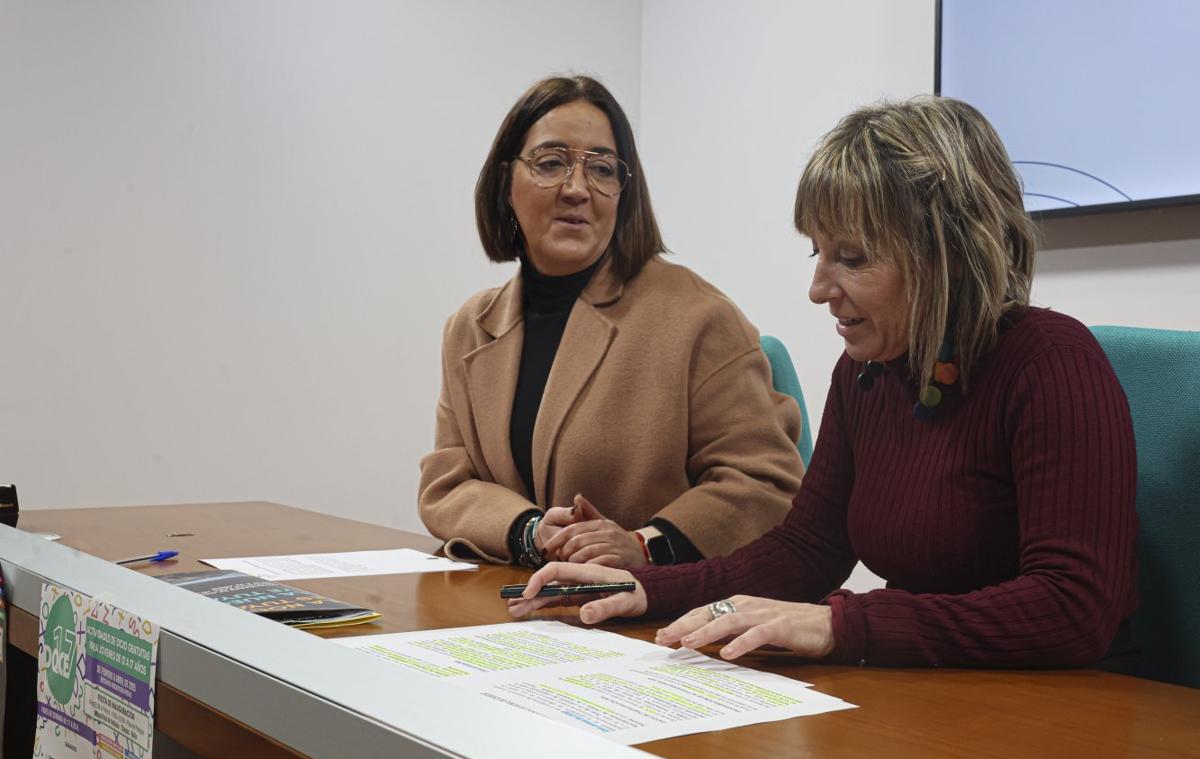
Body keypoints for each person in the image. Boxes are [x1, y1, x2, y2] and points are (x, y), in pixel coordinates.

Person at [510, 96, 1139, 670]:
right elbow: (807, 548)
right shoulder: (868, 372)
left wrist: (842, 623)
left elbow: (1072, 608)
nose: (818, 290)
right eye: (819, 253)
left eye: (854, 258)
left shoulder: (1051, 361)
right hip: (936, 696)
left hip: (1057, 718)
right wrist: (644, 587)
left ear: (947, 252)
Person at [418, 75, 804, 569]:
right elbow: (447, 484)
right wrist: (528, 530)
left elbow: (764, 484)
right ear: (504, 183)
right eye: (552, 163)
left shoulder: (698, 317)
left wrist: (645, 544)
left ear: (624, 192)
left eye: (602, 169)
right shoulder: (469, 327)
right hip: (516, 610)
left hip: (657, 616)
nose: (577, 189)